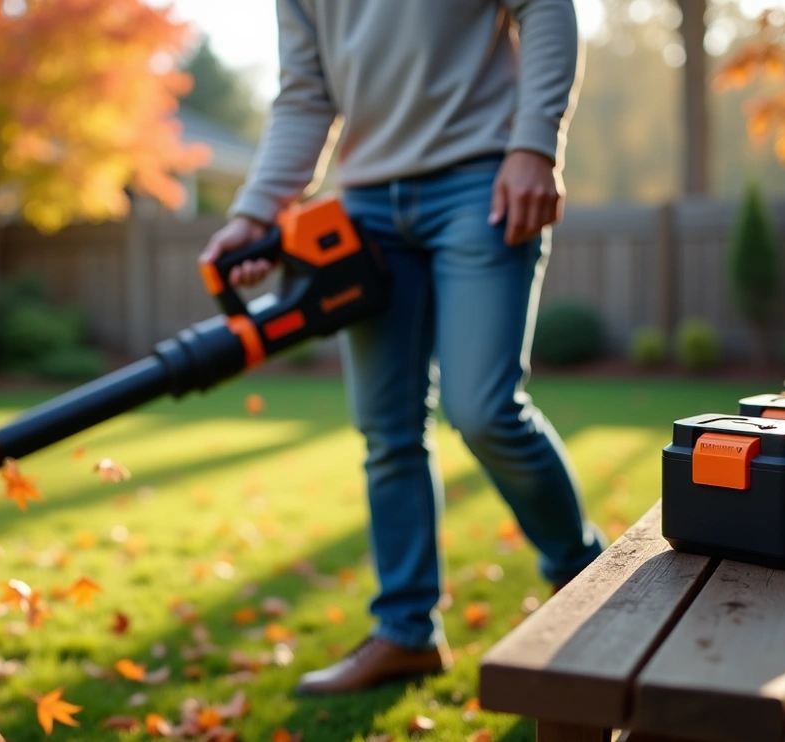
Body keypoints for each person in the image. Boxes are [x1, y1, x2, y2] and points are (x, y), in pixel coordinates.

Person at [199, 0, 607, 696]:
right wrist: (254, 210)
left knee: (484, 411)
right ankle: (406, 633)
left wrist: (535, 144)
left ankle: (586, 581)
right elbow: (306, 94)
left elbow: (544, 7)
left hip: (481, 181)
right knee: (387, 430)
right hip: (365, 207)